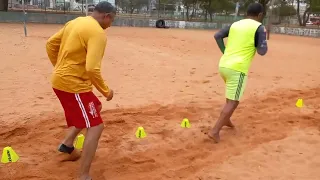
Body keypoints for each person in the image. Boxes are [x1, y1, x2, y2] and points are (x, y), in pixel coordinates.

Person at [45, 2, 116, 179]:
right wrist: (106, 91)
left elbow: (50, 44)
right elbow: (92, 68)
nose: (111, 24)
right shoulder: (98, 33)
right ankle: (84, 176)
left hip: (68, 82)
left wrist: (60, 67)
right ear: (106, 16)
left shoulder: (76, 22)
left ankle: (68, 143)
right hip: (73, 85)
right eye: (112, 20)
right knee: (96, 126)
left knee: (95, 107)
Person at [208, 2, 268, 143]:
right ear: (259, 15)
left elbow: (217, 36)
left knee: (231, 96)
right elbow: (262, 51)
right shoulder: (259, 28)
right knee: (234, 102)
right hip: (238, 68)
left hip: (224, 65)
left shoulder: (236, 24)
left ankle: (227, 119)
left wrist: (225, 52)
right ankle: (215, 131)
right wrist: (264, 38)